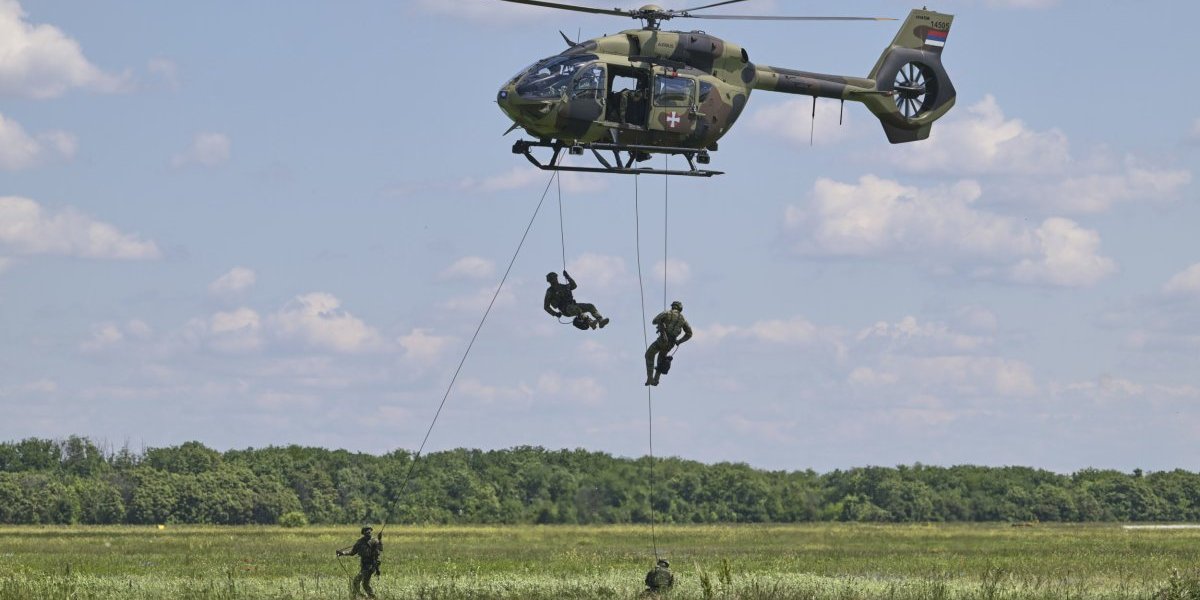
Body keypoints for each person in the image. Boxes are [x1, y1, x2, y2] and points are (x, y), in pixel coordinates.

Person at [645, 300, 691, 386]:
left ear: (673, 306)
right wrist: (679, 341)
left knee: (649, 354)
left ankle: (650, 378)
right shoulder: (683, 320)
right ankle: (656, 379)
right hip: (671, 343)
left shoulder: (667, 313)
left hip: (663, 339)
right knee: (661, 358)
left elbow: (654, 321)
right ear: (680, 309)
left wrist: (661, 321)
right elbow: (689, 333)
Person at [544, 271, 609, 330]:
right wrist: (555, 314)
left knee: (590, 306)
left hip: (573, 305)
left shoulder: (563, 287)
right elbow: (546, 306)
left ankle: (600, 320)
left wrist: (568, 277)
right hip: (565, 310)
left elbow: (574, 286)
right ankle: (590, 322)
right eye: (551, 279)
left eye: (554, 278)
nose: (554, 280)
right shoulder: (550, 291)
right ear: (549, 281)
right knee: (576, 309)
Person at [336, 525, 383, 599]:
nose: (368, 532)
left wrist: (380, 540)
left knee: (356, 581)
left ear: (371, 531)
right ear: (363, 533)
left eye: (369, 530)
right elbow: (352, 552)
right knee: (365, 584)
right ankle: (372, 597)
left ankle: (356, 597)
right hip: (364, 565)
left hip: (371, 565)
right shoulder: (359, 542)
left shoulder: (375, 541)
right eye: (366, 531)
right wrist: (342, 553)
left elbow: (380, 549)